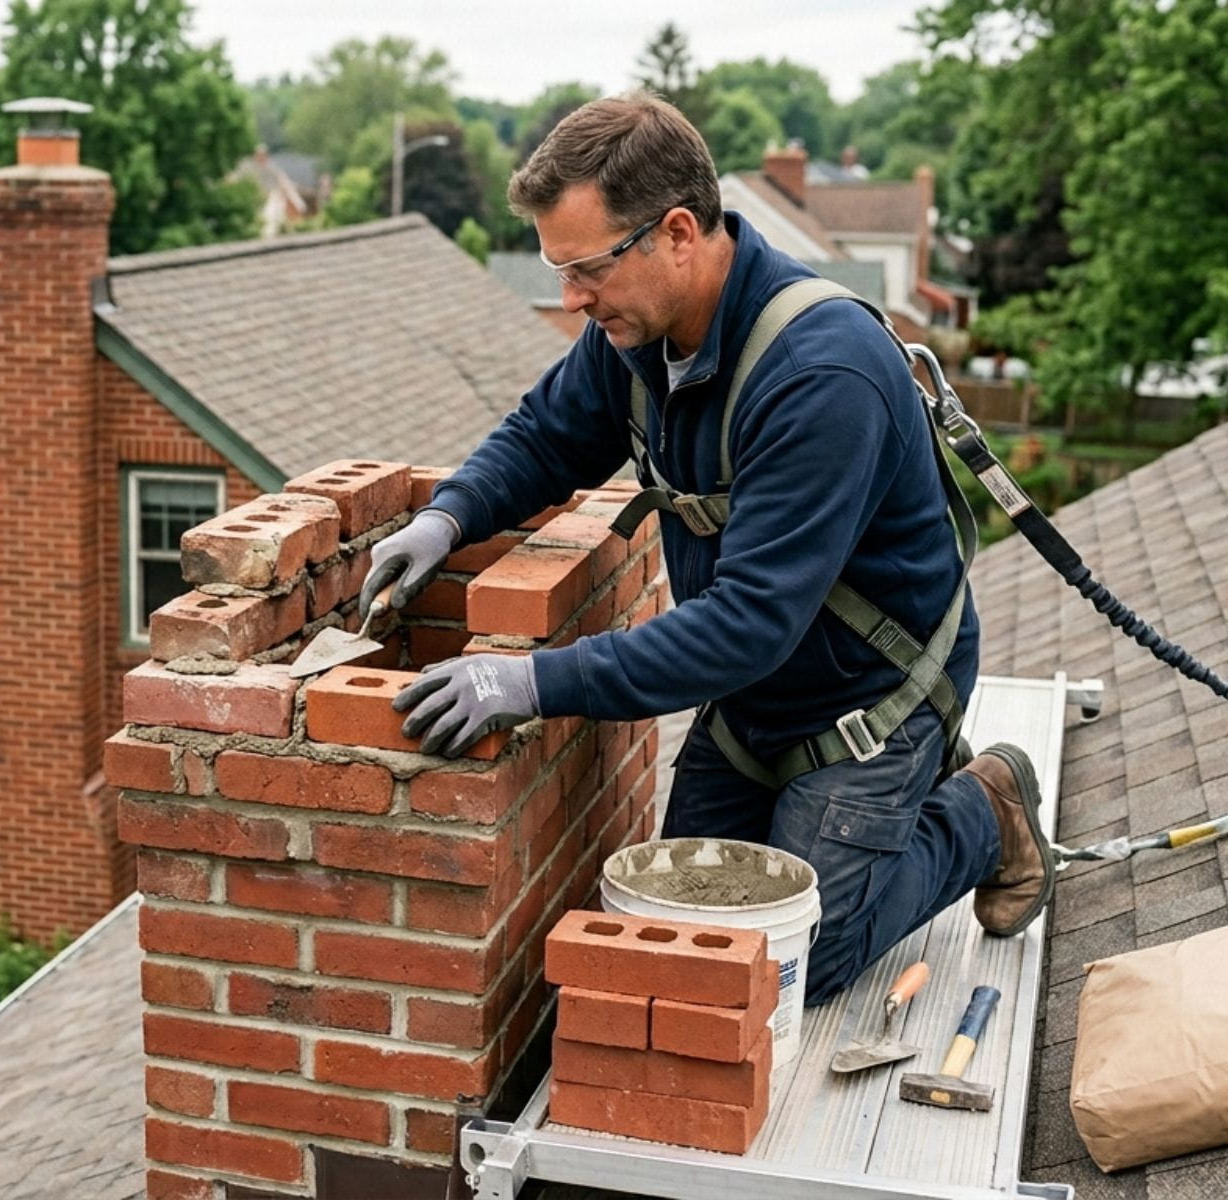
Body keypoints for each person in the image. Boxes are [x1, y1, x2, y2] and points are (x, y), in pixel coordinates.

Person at [364, 93, 1055, 1005]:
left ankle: (984, 812)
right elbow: (547, 436)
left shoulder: (821, 375)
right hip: (752, 705)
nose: (570, 299)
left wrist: (528, 682)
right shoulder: (640, 329)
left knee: (787, 971)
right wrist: (448, 516)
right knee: (686, 935)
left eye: (584, 270)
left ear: (678, 233)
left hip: (868, 704)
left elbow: (747, 624)